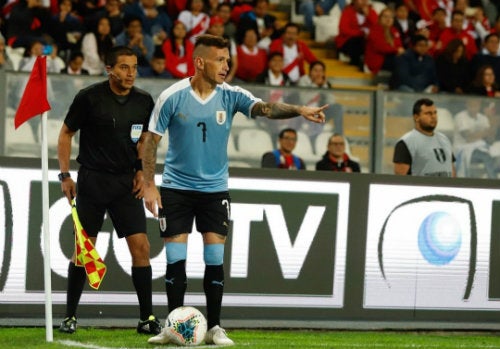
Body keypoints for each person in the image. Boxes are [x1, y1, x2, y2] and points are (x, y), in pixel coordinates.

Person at [142, 34, 327, 346]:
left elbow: (267, 108)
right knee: (176, 259)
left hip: (215, 191)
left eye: (228, 60)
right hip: (176, 189)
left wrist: (299, 109)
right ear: (200, 62)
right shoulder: (172, 96)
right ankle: (172, 326)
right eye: (220, 60)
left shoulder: (231, 95)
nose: (227, 66)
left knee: (215, 259)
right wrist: (149, 185)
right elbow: (150, 140)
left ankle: (214, 327)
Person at [56, 46, 162, 335]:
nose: (131, 73)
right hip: (92, 181)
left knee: (141, 248)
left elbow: (144, 141)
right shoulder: (89, 97)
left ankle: (147, 318)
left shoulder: (144, 101)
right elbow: (65, 134)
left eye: (135, 67)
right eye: (125, 67)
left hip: (126, 183)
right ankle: (69, 317)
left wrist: (142, 171)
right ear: (110, 69)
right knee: (84, 249)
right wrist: (65, 175)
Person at [393, 98, 456, 177]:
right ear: (416, 117)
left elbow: (452, 170)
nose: (433, 116)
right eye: (428, 113)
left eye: (435, 113)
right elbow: (399, 179)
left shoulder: (445, 139)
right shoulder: (406, 143)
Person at [453, 98, 497, 178]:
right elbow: (469, 138)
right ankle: (494, 181)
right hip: (463, 149)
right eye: (471, 105)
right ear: (466, 105)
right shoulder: (460, 117)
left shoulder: (483, 118)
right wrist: (486, 133)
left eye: (476, 105)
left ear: (479, 105)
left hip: (480, 147)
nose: (473, 108)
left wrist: (490, 118)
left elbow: (490, 140)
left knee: (496, 156)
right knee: (486, 157)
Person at [335, 0, 378, 69]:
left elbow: (378, 27)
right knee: (357, 41)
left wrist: (369, 15)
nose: (364, 2)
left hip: (367, 42)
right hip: (348, 42)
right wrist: (361, 33)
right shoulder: (347, 12)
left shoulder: (371, 12)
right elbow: (344, 30)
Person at [364, 7, 404, 75]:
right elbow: (381, 47)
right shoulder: (374, 30)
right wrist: (396, 50)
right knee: (400, 62)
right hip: (378, 60)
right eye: (385, 16)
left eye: (391, 17)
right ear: (380, 18)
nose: (388, 19)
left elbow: (399, 45)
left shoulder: (394, 30)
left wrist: (398, 50)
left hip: (390, 58)